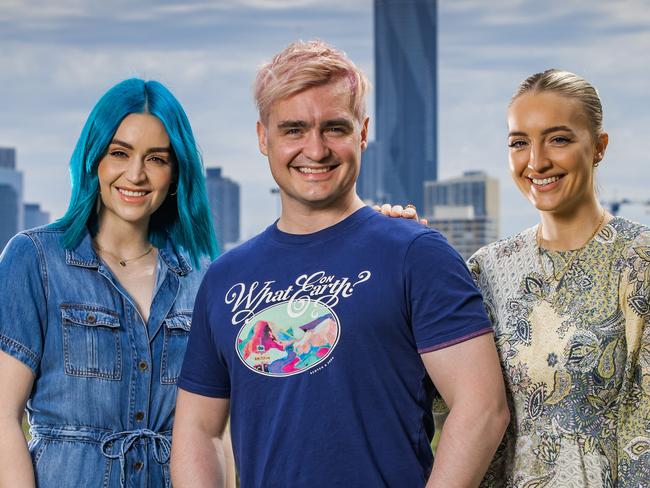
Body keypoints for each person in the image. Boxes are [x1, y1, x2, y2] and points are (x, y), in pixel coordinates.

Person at [170, 39, 509, 487]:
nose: (315, 149)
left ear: (362, 132)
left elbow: (482, 408)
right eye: (293, 129)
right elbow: (200, 430)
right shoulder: (225, 278)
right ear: (262, 137)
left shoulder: (416, 254)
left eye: (334, 128)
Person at [0, 78, 221, 487]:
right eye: (120, 153)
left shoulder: (204, 275)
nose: (135, 174)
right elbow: (2, 418)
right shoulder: (34, 260)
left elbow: (214, 433)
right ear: (94, 160)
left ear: (176, 174)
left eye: (156, 159)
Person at [467, 69, 650, 486]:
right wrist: (400, 244)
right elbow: (442, 396)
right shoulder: (487, 269)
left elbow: (646, 427)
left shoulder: (640, 262)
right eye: (519, 143)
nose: (537, 161)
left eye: (559, 139)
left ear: (599, 147)